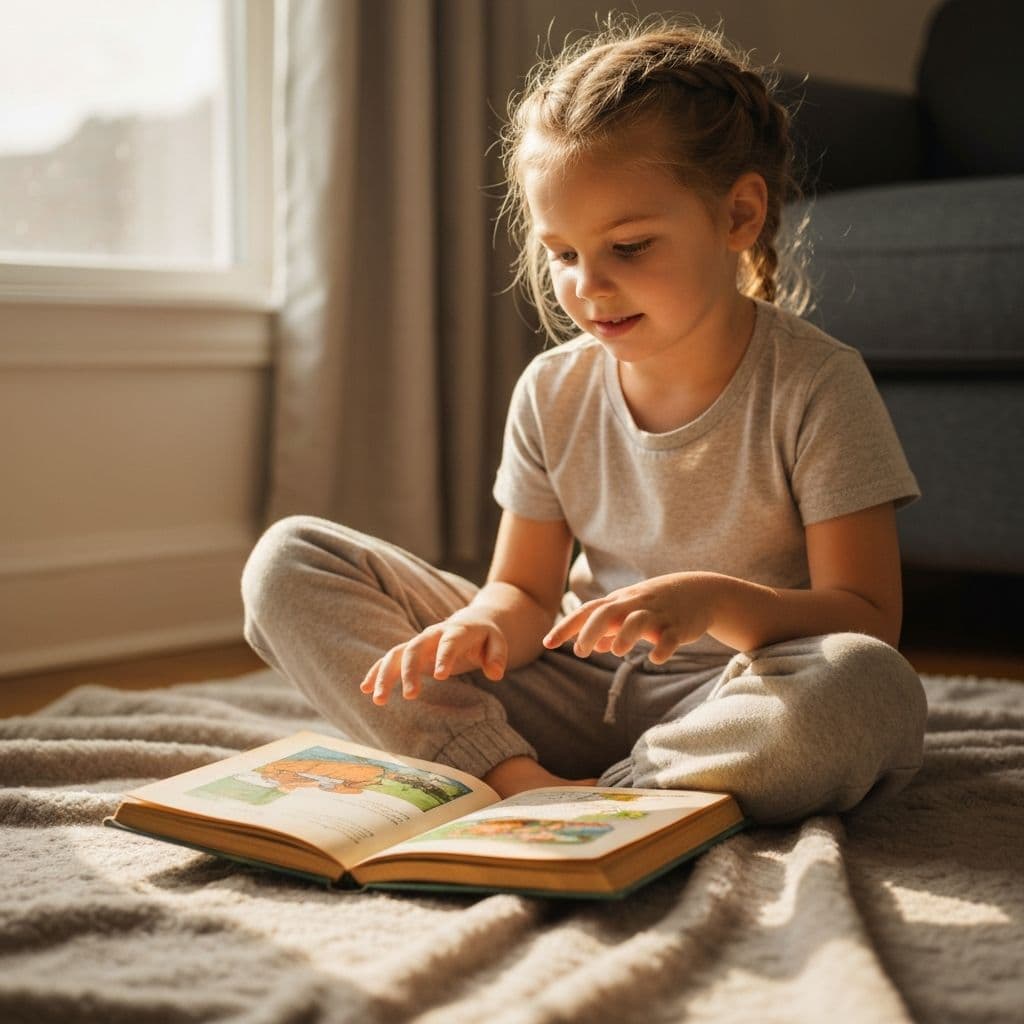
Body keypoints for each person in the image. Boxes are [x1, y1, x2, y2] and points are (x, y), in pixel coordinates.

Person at [242, 17, 927, 824]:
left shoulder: (816, 383)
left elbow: (868, 615)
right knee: (287, 562)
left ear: (739, 217)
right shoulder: (551, 389)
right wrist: (478, 627)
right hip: (571, 689)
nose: (588, 286)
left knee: (869, 686)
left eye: (630, 246)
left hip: (738, 693)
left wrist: (712, 603)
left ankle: (628, 795)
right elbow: (524, 592)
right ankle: (514, 780)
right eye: (563, 254)